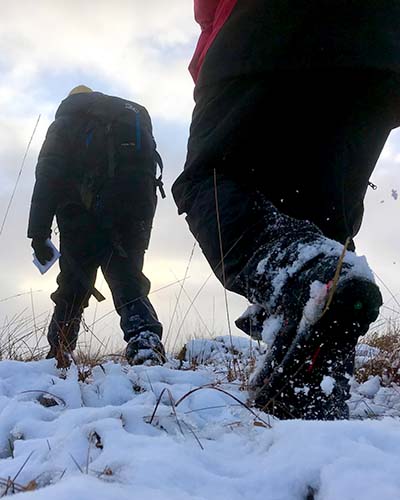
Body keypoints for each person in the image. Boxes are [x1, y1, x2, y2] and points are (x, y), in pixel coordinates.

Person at [172, 1, 400, 419]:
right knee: (321, 220)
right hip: (383, 50)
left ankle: (304, 274)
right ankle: (309, 399)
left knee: (207, 181)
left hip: (267, 31)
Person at [28, 85, 166, 368]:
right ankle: (145, 345)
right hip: (135, 207)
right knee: (127, 278)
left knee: (73, 285)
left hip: (83, 215)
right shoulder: (123, 118)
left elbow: (47, 177)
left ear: (69, 101)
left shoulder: (66, 123)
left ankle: (59, 353)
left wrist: (39, 234)